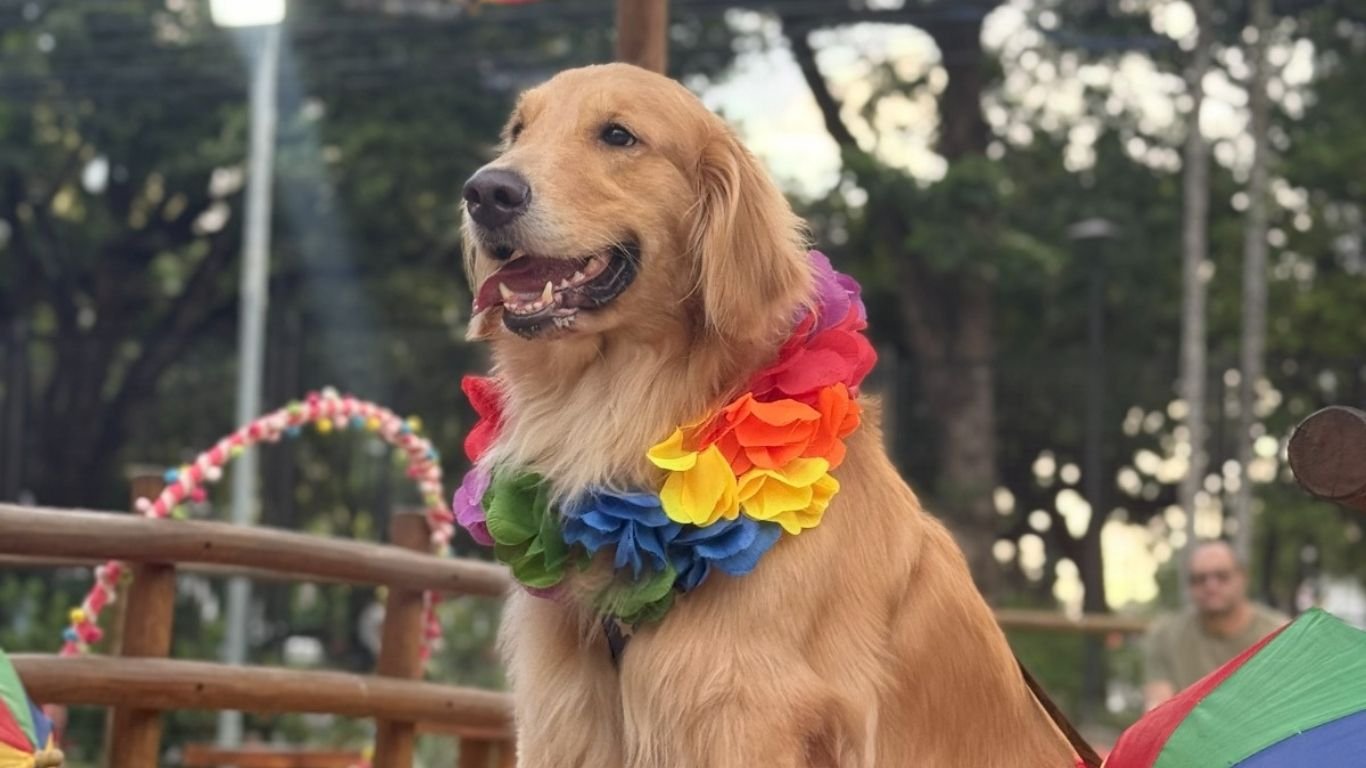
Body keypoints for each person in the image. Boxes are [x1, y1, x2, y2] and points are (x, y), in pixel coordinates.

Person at [1143, 539, 1288, 709]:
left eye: (1222, 576)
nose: (1211, 586)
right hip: (1188, 734)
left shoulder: (1280, 635)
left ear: (1243, 578)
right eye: (1199, 579)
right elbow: (1157, 711)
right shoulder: (1166, 636)